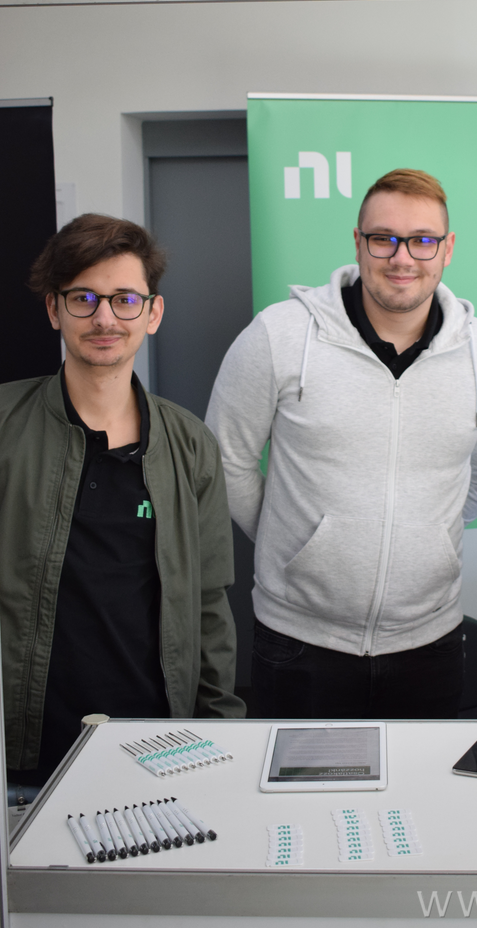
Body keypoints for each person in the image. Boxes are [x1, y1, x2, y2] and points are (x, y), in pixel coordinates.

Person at [206, 168, 477, 719]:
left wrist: (422, 539)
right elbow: (224, 458)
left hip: (431, 644)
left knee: (424, 779)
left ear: (447, 249)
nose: (402, 258)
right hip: (297, 643)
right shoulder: (280, 335)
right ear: (358, 242)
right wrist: (299, 543)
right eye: (383, 239)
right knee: (298, 781)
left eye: (422, 241)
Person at [1, 214, 244, 795]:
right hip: (22, 754)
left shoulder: (190, 445)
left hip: (157, 753)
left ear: (152, 314)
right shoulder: (6, 427)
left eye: (124, 300)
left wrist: (219, 737)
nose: (105, 318)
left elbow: (210, 605)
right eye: (83, 298)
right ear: (54, 309)